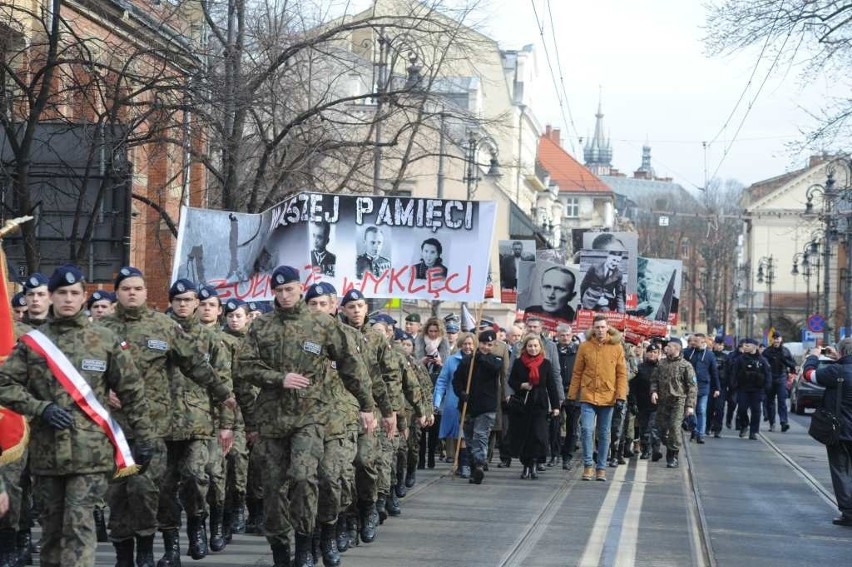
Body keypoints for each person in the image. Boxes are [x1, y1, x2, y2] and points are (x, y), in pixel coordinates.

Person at [0, 265, 155, 567]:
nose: (68, 299)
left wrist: (145, 438)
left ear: (83, 297)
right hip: (46, 455)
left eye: (74, 293)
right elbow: (4, 385)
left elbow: (132, 392)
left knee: (79, 526)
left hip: (90, 454)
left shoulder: (104, 340)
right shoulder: (33, 343)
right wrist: (40, 408)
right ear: (51, 297)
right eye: (61, 293)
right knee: (51, 530)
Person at [236, 266, 377, 566]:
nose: (285, 295)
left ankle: (304, 544)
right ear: (273, 293)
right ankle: (279, 552)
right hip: (272, 420)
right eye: (279, 290)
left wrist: (367, 405)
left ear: (301, 288)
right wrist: (277, 377)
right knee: (272, 490)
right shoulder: (262, 326)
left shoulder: (322, 324)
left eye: (290, 289)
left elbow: (351, 366)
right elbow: (243, 367)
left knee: (304, 478)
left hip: (311, 417)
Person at [99, 267, 236, 567]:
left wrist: (223, 393)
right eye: (125, 288)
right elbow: (86, 372)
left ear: (147, 292)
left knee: (148, 490)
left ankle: (147, 552)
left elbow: (194, 363)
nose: (132, 293)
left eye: (137, 288)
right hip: (116, 428)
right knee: (117, 493)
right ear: (117, 293)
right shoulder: (101, 329)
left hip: (154, 427)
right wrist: (102, 392)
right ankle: (124, 556)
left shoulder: (163, 326)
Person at [568, 315, 628, 482]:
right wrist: (572, 395)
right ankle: (588, 466)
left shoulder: (617, 347)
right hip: (588, 394)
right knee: (587, 430)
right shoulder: (585, 347)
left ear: (608, 328)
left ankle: (601, 467)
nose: (600, 330)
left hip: (608, 396)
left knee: (604, 433)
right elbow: (577, 372)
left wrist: (621, 396)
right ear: (592, 329)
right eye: (597, 327)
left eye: (603, 327)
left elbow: (622, 374)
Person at [801, 340, 852, 526]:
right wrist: (838, 357)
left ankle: (848, 512)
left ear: (841, 352)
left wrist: (813, 356)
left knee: (840, 470)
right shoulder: (839, 367)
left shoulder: (835, 372)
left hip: (840, 430)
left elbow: (809, 375)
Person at [452, 330, 503, 484]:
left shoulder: (496, 360)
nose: (485, 347)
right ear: (478, 343)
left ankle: (480, 464)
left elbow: (494, 369)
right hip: (468, 407)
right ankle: (474, 467)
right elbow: (457, 381)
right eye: (483, 344)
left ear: (493, 345)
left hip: (486, 407)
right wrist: (461, 393)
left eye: (489, 345)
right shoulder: (467, 361)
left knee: (480, 436)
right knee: (469, 438)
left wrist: (481, 358)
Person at [507, 334, 561, 480]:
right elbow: (511, 380)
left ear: (540, 347)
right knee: (525, 435)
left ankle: (535, 464)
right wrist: (521, 385)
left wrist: (556, 406)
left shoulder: (546, 364)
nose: (533, 348)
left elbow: (552, 386)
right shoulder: (519, 362)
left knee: (538, 435)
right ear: (525, 347)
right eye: (530, 346)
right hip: (523, 403)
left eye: (536, 346)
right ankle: (526, 465)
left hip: (540, 403)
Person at [651, 340, 696, 468]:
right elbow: (654, 379)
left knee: (675, 428)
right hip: (663, 402)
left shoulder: (685, 365)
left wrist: (690, 405)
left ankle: (672, 456)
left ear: (677, 349)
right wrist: (653, 392)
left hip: (678, 402)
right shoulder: (661, 363)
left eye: (669, 347)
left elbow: (692, 386)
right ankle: (668, 444)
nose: (666, 348)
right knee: (661, 428)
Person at [414, 317, 449, 469]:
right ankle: (421, 459)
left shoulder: (444, 344)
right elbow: (413, 365)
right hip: (422, 387)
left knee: (435, 424)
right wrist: (423, 361)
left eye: (436, 331)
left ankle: (431, 458)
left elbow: (447, 369)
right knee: (421, 425)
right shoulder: (420, 342)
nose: (433, 334)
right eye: (430, 331)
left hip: (438, 388)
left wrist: (440, 363)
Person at [730, 338, 771, 440]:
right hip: (743, 388)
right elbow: (734, 373)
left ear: (754, 347)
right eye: (744, 345)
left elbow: (767, 374)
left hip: (757, 389)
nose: (745, 347)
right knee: (742, 409)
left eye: (747, 346)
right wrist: (733, 385)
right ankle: (744, 425)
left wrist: (767, 386)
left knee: (756, 411)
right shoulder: (740, 359)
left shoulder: (762, 360)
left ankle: (753, 431)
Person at [683, 333, 720, 444]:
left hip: (704, 386)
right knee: (691, 411)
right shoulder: (688, 353)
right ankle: (694, 429)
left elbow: (714, 372)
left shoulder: (709, 355)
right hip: (689, 387)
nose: (694, 342)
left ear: (703, 342)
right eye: (693, 341)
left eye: (696, 341)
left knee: (701, 410)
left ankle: (700, 434)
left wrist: (717, 388)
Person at [555, 325, 580, 470]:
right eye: (562, 335)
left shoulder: (578, 350)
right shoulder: (553, 349)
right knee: (555, 425)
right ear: (558, 336)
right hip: (557, 391)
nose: (565, 338)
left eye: (568, 335)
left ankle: (567, 456)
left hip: (574, 392)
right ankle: (555, 454)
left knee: (572, 427)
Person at [631, 344, 662, 460]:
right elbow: (633, 387)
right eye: (650, 352)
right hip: (642, 403)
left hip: (657, 404)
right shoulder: (640, 368)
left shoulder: (661, 368)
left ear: (658, 354)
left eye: (655, 352)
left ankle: (655, 450)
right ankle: (646, 449)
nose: (652, 355)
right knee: (644, 428)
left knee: (653, 427)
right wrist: (633, 402)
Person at [762, 332, 797, 432]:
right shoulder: (767, 352)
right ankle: (772, 422)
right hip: (770, 379)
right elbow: (763, 364)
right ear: (772, 340)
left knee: (782, 401)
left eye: (778, 338)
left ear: (781, 339)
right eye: (774, 338)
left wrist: (786, 362)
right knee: (770, 402)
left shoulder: (785, 351)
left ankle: (783, 422)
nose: (776, 340)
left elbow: (793, 364)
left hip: (781, 377)